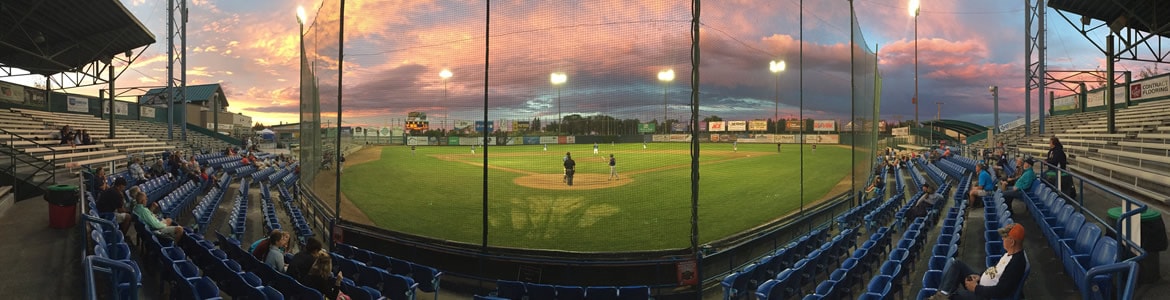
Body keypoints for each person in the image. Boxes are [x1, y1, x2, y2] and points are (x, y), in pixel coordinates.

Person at [931, 223, 1028, 299]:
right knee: (957, 265)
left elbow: (1001, 291)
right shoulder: (1010, 253)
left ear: (1012, 242)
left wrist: (975, 288)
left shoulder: (1016, 263)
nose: (1002, 239)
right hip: (981, 284)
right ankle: (942, 295)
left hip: (985, 295)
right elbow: (995, 271)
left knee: (952, 296)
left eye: (1005, 237)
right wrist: (979, 276)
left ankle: (942, 296)